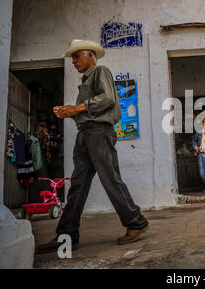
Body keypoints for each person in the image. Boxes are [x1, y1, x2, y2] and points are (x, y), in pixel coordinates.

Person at [36, 39, 149, 253]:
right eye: (73, 58)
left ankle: (136, 222)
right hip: (86, 134)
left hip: (98, 133)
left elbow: (107, 99)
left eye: (77, 57)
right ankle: (66, 235)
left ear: (90, 56)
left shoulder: (100, 71)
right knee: (77, 185)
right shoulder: (86, 81)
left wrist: (76, 108)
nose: (74, 62)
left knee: (110, 179)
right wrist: (70, 112)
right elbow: (89, 112)